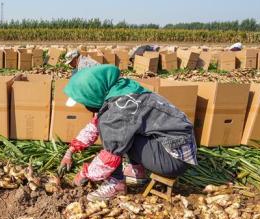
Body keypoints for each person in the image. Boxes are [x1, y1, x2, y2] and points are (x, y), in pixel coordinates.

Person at [58, 65, 197, 202]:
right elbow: (94, 125)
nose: (85, 106)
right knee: (121, 129)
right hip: (180, 146)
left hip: (172, 159)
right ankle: (137, 172)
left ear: (93, 94)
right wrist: (70, 151)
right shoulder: (123, 90)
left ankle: (116, 184)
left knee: (117, 138)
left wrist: (85, 173)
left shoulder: (118, 110)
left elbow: (109, 156)